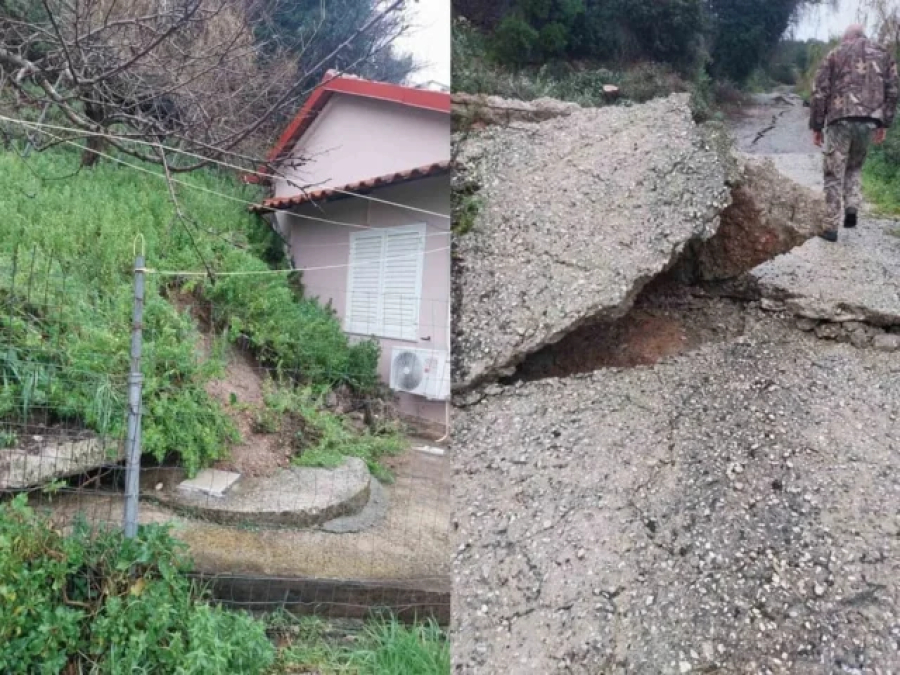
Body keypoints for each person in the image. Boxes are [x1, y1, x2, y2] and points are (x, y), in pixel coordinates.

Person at [809, 24, 900, 242]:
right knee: (855, 166)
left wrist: (816, 125)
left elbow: (820, 91)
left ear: (847, 36)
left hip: (840, 120)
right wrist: (884, 123)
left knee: (833, 172)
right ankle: (852, 205)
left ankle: (830, 227)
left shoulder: (835, 53)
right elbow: (894, 90)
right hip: (868, 121)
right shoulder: (884, 55)